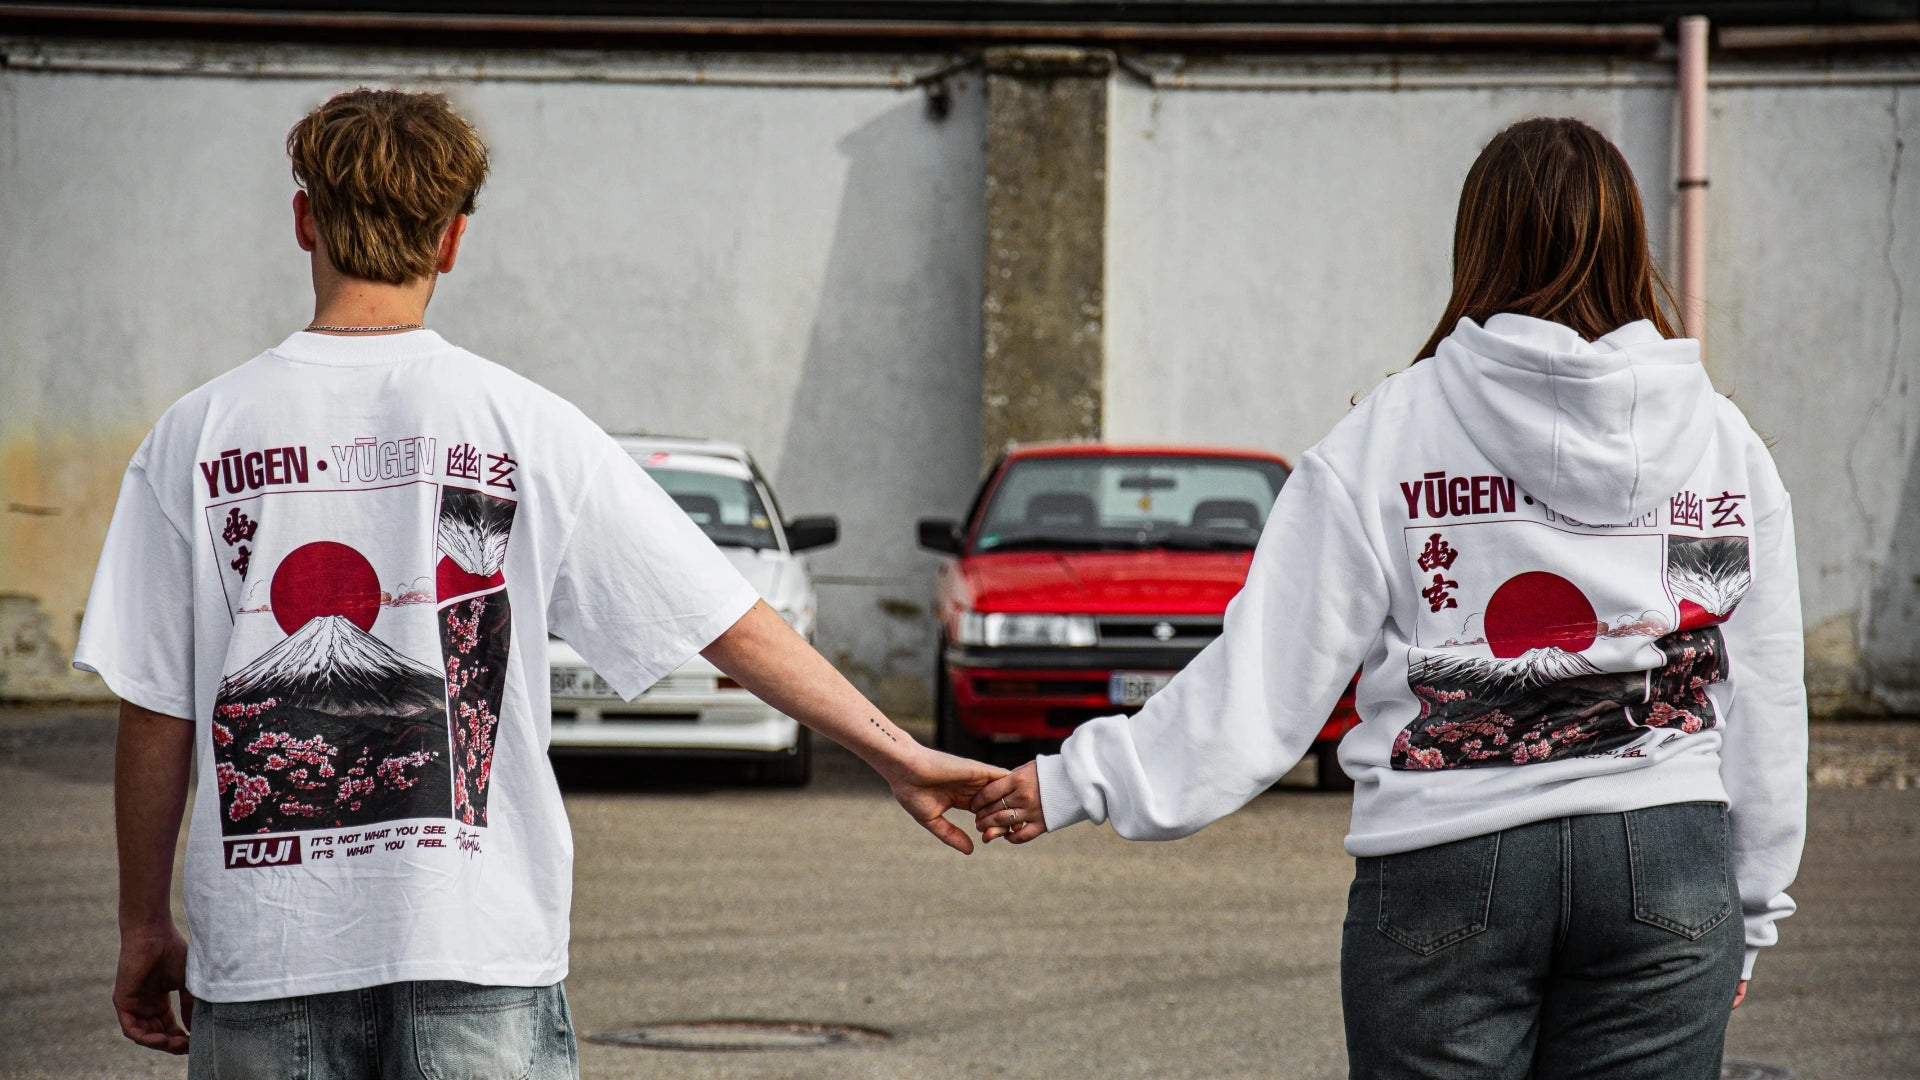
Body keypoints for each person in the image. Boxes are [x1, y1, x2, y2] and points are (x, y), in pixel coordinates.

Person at [81, 87, 1001, 1078]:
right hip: (479, 953)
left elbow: (156, 704)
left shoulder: (195, 435)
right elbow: (726, 618)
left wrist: (143, 924)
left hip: (266, 961)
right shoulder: (525, 425)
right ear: (452, 241)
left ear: (304, 220)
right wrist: (898, 753)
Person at [974, 117, 1807, 1079]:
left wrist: (1071, 783)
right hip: (1666, 865)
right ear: (1629, 241)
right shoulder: (1723, 443)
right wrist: (1751, 908)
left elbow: (1266, 680)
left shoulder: (1388, 433)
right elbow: (1765, 694)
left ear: (1477, 244)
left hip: (1446, 863)